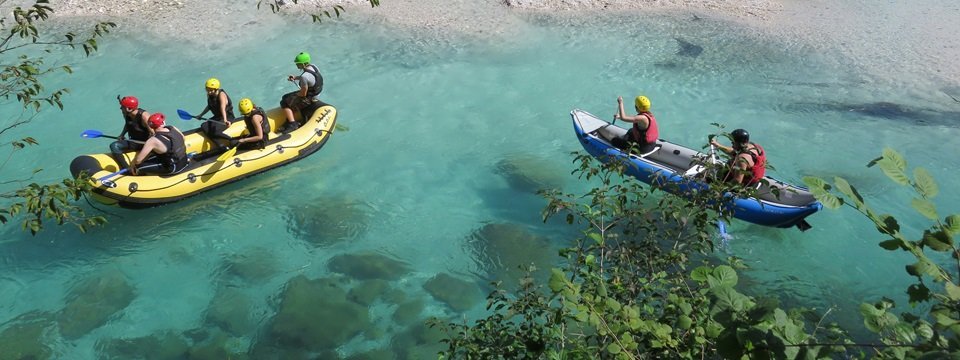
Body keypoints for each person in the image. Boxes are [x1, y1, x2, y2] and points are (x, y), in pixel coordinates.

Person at [280, 51, 323, 132]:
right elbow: (310, 78)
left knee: (284, 100)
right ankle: (292, 116)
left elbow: (303, 94)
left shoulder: (304, 76)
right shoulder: (314, 67)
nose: (297, 65)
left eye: (298, 64)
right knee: (291, 98)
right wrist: (296, 78)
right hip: (316, 93)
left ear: (303, 64)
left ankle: (292, 123)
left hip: (310, 98)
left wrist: (292, 98)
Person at [110, 95, 152, 168]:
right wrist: (122, 135)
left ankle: (133, 168)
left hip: (146, 144)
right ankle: (126, 168)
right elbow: (128, 124)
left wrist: (149, 146)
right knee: (114, 146)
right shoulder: (127, 114)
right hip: (134, 141)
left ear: (129, 108)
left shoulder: (145, 117)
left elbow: (154, 133)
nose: (120, 108)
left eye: (122, 107)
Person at [195, 77, 235, 147]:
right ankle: (220, 145)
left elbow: (222, 108)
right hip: (217, 117)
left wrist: (225, 120)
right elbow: (209, 106)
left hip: (227, 116)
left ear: (216, 89)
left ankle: (232, 139)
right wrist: (200, 115)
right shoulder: (210, 95)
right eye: (207, 90)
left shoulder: (221, 95)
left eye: (211, 90)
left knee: (215, 131)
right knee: (204, 126)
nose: (209, 92)